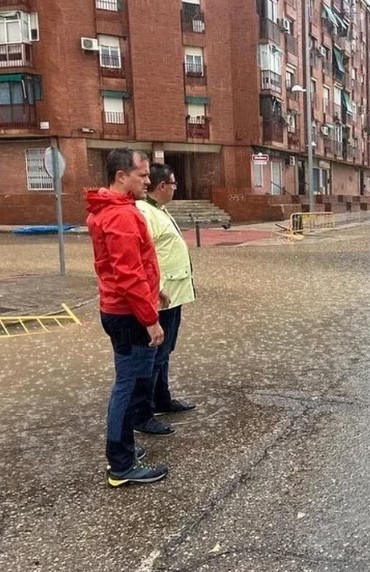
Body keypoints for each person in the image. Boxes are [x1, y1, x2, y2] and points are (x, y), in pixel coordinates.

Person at [86, 148, 168, 487]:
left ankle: (125, 451)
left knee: (128, 382)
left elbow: (137, 266)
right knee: (129, 385)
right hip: (128, 313)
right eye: (142, 175)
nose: (148, 181)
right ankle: (120, 463)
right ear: (122, 176)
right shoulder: (119, 216)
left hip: (122, 308)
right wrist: (150, 317)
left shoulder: (114, 209)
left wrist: (155, 290)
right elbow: (128, 273)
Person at [133, 163, 197, 436]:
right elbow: (140, 257)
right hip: (160, 296)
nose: (175, 189)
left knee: (165, 352)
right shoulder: (145, 212)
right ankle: (143, 414)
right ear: (163, 186)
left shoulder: (158, 210)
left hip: (173, 294)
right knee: (154, 356)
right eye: (173, 184)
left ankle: (162, 399)